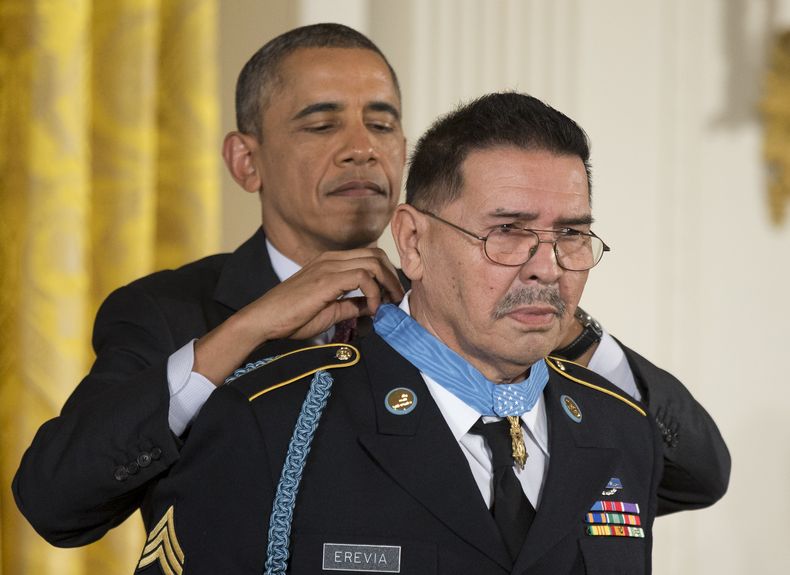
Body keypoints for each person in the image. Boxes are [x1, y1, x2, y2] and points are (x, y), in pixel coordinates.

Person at [12, 24, 728, 549]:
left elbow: (694, 471)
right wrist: (250, 329)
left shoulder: (495, 296)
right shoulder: (173, 311)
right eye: (321, 122)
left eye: (382, 122)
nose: (362, 146)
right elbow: (56, 500)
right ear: (245, 160)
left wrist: (559, 318)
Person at [134, 92, 663, 575]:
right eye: (508, 231)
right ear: (412, 241)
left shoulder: (621, 429)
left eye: (570, 234)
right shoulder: (273, 420)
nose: (546, 267)